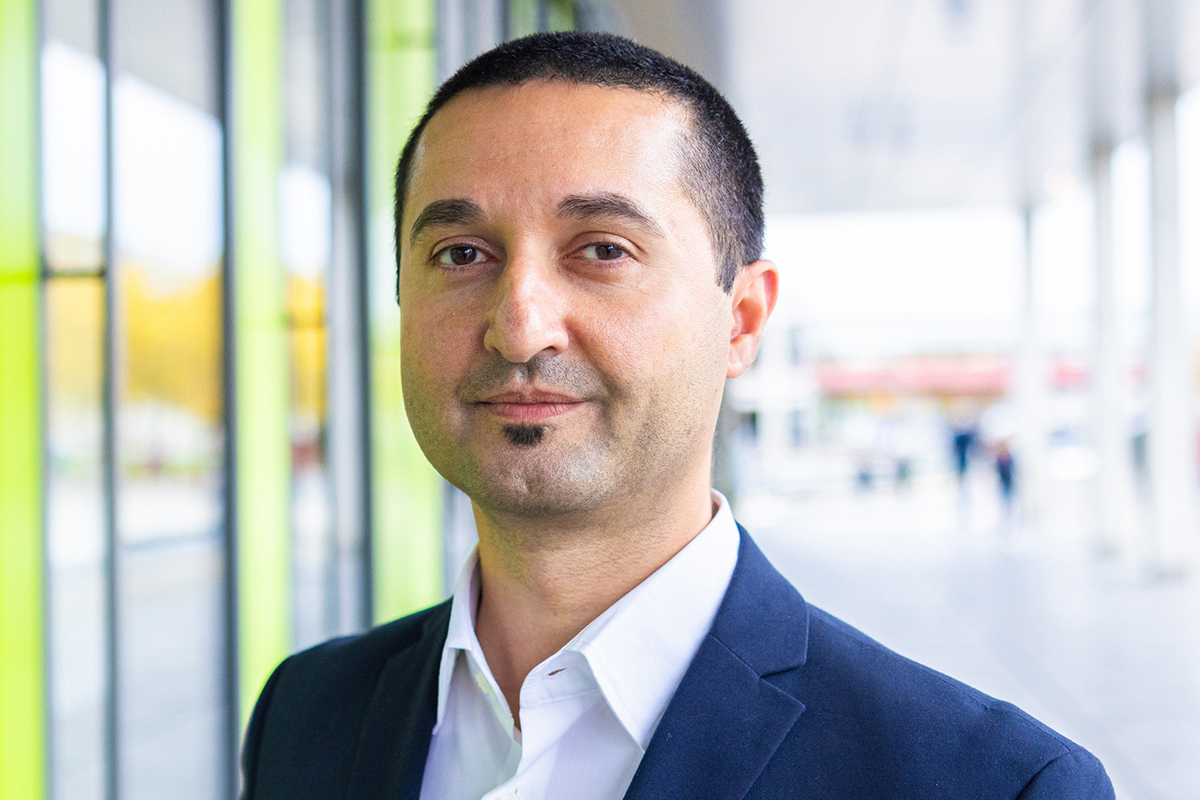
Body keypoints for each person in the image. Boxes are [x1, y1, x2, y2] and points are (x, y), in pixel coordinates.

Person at [241, 32, 1114, 800]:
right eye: (461, 254)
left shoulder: (986, 783)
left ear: (742, 321)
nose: (520, 325)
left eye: (603, 249)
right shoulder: (306, 712)